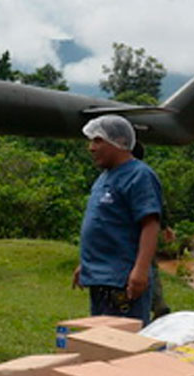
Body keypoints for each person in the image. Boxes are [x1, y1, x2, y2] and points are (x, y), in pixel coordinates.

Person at [72, 115, 163, 325]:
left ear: (119, 142)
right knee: (101, 338)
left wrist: (140, 271)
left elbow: (150, 224)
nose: (91, 148)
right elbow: (104, 224)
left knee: (125, 343)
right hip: (99, 278)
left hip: (122, 281)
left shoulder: (139, 176)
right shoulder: (104, 177)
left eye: (97, 140)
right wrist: (85, 264)